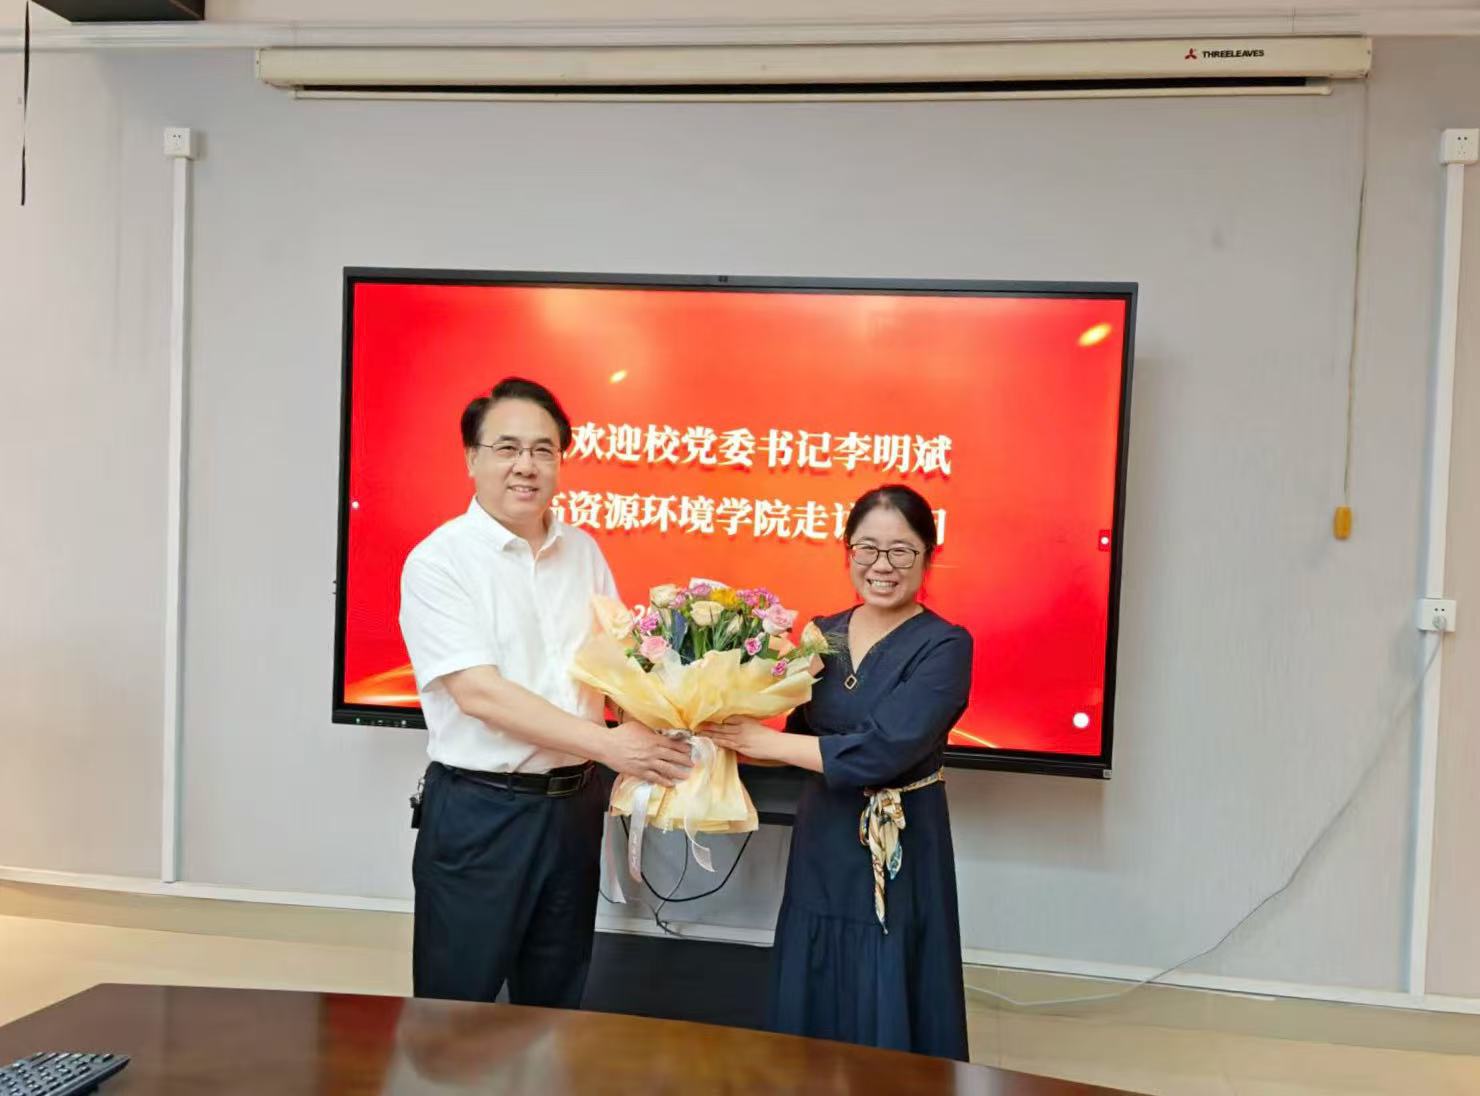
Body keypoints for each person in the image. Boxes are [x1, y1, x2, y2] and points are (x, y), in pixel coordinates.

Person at [398, 376, 692, 1007]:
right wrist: (609, 745)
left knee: (554, 1006)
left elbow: (617, 666)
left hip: (574, 811)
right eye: (507, 448)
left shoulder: (582, 551)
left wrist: (678, 717)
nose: (525, 465)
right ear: (472, 458)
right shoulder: (439, 561)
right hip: (482, 812)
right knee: (455, 1012)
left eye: (543, 450)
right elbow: (479, 694)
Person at [704, 484, 972, 1059]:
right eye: (866, 548)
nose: (881, 565)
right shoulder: (822, 634)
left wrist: (762, 742)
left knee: (889, 963)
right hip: (824, 830)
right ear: (847, 551)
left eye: (901, 550)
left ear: (928, 556)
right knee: (815, 956)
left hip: (900, 840)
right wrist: (717, 731)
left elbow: (882, 751)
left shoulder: (946, 646)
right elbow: (796, 737)